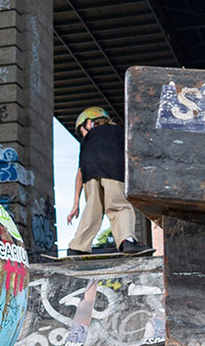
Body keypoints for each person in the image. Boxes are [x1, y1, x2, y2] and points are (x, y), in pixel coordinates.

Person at [63, 106, 151, 256]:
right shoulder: (119, 131)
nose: (83, 134)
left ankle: (77, 247)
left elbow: (80, 172)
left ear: (89, 123)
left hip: (90, 174)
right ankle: (127, 241)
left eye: (82, 130)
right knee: (119, 206)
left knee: (92, 210)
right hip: (114, 170)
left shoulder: (87, 140)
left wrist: (76, 203)